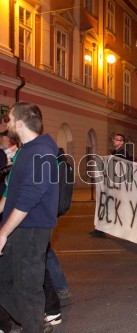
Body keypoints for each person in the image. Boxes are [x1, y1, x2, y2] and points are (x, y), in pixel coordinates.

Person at [0, 102, 59, 332]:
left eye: (11, 120)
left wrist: (3, 233)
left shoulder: (41, 152)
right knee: (6, 280)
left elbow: (30, 196)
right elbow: (11, 193)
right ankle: (33, 323)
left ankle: (33, 326)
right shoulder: (25, 151)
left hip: (32, 229)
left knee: (28, 287)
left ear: (21, 123)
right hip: (18, 227)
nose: (8, 124)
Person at [89, 133, 133, 238]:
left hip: (118, 186)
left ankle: (126, 230)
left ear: (122, 142)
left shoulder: (123, 154)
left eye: (117, 139)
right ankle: (100, 229)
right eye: (114, 139)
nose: (114, 140)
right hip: (111, 185)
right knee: (107, 207)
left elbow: (124, 170)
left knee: (117, 209)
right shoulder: (114, 152)